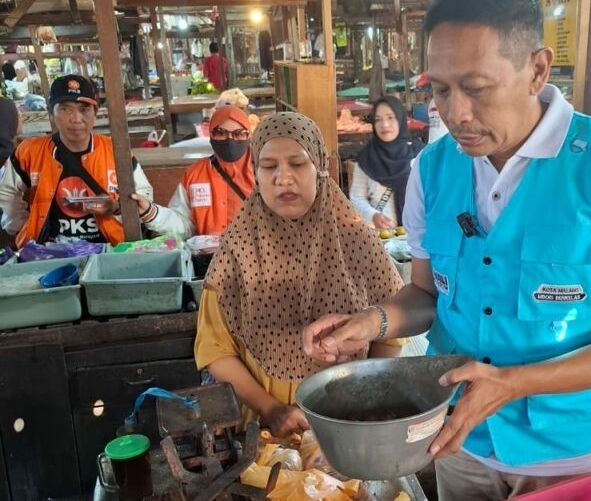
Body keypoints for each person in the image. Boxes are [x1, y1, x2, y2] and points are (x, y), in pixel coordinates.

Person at [303, 0, 591, 501]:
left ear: (538, 70)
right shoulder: (434, 168)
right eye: (441, 90)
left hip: (566, 458)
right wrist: (375, 320)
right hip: (459, 442)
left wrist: (516, 382)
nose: (456, 113)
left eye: (476, 87)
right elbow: (428, 296)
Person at [195, 112, 404, 436]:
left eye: (297, 163)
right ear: (256, 172)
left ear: (319, 167)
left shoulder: (356, 241)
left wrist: (365, 398)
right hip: (261, 430)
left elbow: (392, 329)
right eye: (268, 166)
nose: (283, 178)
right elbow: (215, 350)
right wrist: (271, 409)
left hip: (345, 425)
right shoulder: (237, 249)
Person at [0, 74, 153, 246]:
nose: (76, 119)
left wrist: (117, 208)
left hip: (109, 249)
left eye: (84, 109)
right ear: (51, 113)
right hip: (50, 251)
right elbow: (5, 191)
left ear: (95, 113)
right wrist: (22, 224)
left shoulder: (116, 150)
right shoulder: (30, 151)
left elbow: (144, 194)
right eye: (65, 109)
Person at [132, 105, 255, 239]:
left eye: (238, 133)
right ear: (211, 135)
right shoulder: (195, 175)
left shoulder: (263, 172)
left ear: (249, 135)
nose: (230, 140)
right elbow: (184, 224)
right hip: (210, 257)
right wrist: (151, 212)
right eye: (220, 132)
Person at [349, 95, 422, 230]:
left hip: (418, 237)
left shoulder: (419, 155)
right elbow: (356, 198)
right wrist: (373, 215)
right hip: (382, 241)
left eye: (390, 117)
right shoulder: (366, 159)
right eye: (378, 120)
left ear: (400, 119)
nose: (385, 125)